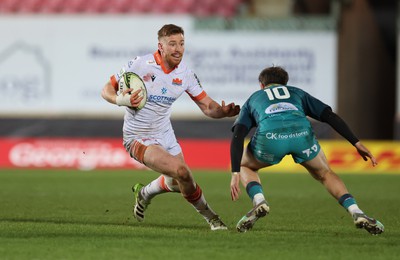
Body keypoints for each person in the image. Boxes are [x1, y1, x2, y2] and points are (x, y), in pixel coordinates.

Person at [101, 24, 239, 230]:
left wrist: (223, 112)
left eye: (182, 44)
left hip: (165, 135)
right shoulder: (140, 64)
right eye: (172, 44)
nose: (178, 49)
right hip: (138, 136)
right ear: (161, 46)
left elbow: (208, 107)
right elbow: (106, 90)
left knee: (177, 182)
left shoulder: (186, 74)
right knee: (182, 172)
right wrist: (120, 99)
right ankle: (213, 219)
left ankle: (144, 193)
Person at [229, 66, 384, 234]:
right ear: (286, 84)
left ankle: (259, 200)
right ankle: (356, 211)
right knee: (325, 173)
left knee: (246, 165)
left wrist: (235, 172)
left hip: (271, 139)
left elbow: (239, 134)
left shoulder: (254, 98)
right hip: (301, 135)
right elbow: (329, 116)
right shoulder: (297, 93)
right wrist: (356, 143)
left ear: (261, 85)